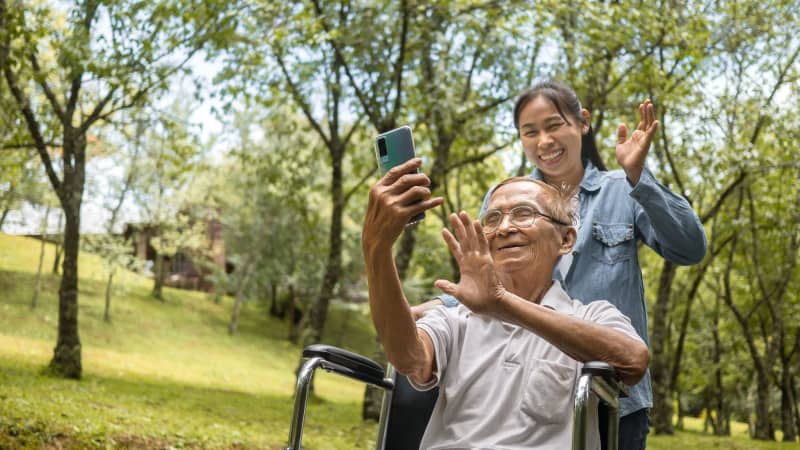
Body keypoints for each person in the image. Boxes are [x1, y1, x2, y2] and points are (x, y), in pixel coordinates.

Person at [415, 80, 708, 449]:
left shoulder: (622, 189)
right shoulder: (504, 199)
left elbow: (689, 248)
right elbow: (490, 282)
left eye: (554, 126)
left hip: (611, 393)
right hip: (519, 392)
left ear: (582, 123)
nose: (545, 141)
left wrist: (638, 176)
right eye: (530, 132)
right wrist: (441, 306)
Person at [362, 163, 650, 450]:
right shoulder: (456, 318)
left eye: (524, 214)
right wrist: (376, 248)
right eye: (492, 218)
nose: (504, 228)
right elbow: (409, 358)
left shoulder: (591, 315)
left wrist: (503, 304)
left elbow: (633, 361)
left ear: (566, 240)